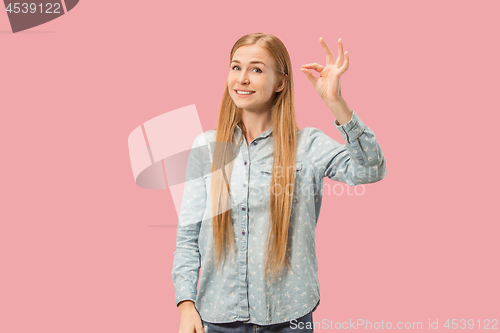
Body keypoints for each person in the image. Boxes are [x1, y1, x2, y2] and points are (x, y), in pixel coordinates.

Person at [172, 33, 387, 333]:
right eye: (236, 67)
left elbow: (370, 170)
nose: (243, 78)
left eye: (257, 70)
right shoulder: (207, 148)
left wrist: (336, 103)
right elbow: (187, 238)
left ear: (280, 83)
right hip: (218, 318)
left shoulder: (307, 146)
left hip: (290, 318)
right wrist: (185, 305)